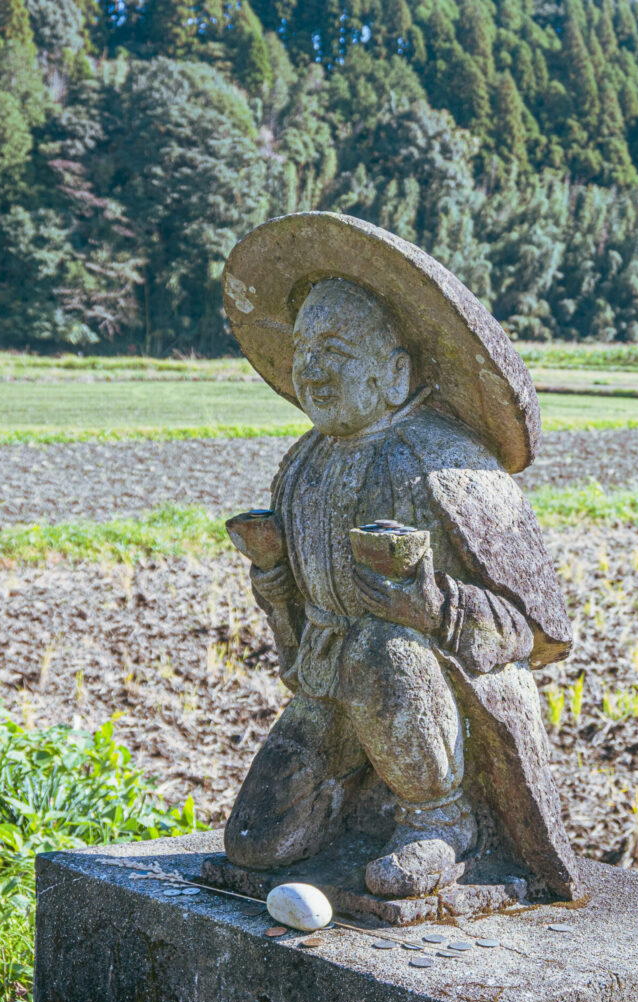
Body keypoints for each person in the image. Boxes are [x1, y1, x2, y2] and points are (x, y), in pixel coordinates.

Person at [221, 213, 579, 901]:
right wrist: (274, 575)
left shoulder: (447, 466)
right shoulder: (302, 468)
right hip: (331, 687)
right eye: (303, 349)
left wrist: (435, 608)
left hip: (425, 692)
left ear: (394, 371)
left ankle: (441, 818)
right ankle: (355, 810)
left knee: (378, 646)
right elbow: (298, 627)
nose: (311, 369)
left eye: (335, 350)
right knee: (254, 840)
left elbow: (535, 631)